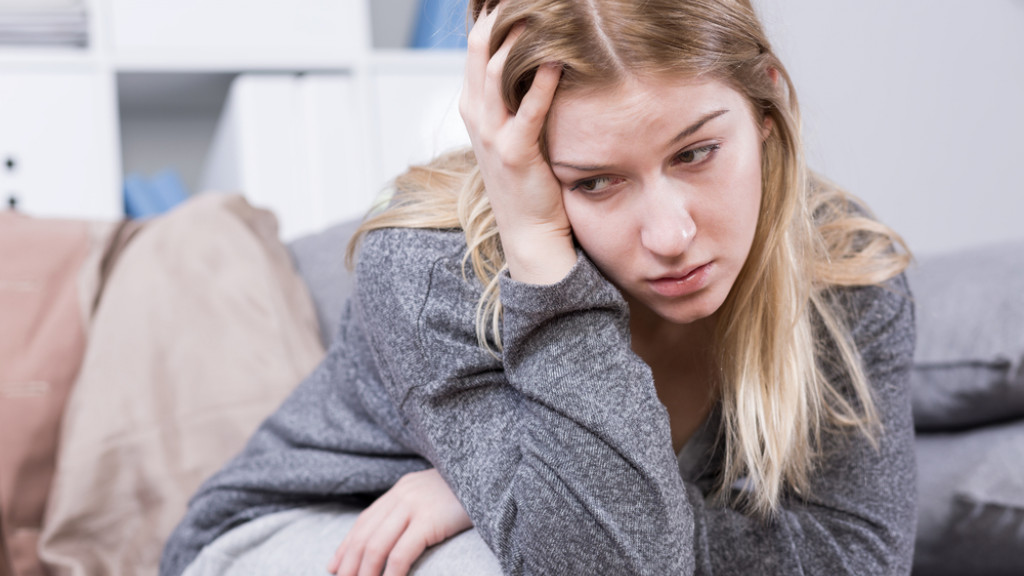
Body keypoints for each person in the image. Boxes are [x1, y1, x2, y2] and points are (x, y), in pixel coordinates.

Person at [161, 0, 917, 574]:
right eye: (595, 182)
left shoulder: (841, 269)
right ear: (518, 162)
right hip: (320, 527)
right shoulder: (430, 270)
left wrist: (513, 496)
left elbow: (856, 555)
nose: (669, 234)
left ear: (767, 105)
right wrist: (537, 248)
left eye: (696, 153)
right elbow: (604, 565)